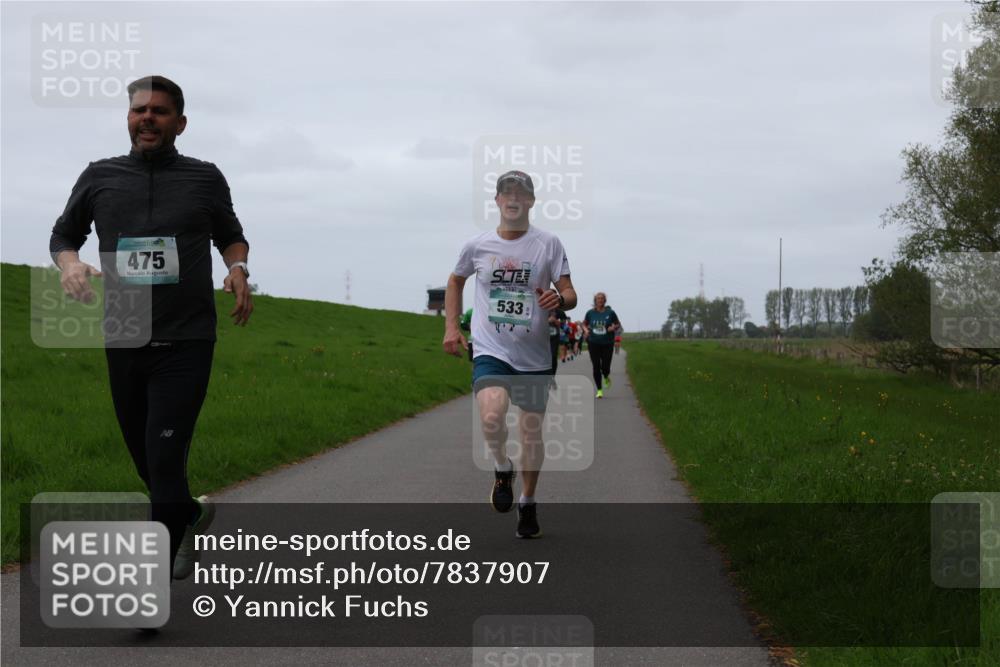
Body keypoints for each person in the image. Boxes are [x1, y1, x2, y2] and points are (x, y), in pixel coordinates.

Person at [50, 75, 252, 581]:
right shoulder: (100, 176)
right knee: (146, 461)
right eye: (140, 109)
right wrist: (70, 265)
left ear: (179, 123)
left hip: (185, 340)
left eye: (160, 111)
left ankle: (148, 584)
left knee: (163, 460)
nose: (148, 118)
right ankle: (188, 513)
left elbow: (231, 237)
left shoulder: (204, 177)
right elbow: (63, 234)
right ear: (128, 118)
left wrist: (237, 269)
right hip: (124, 334)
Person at [443, 170, 576, 538]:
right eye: (506, 192)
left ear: (531, 201)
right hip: (491, 349)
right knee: (491, 415)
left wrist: (559, 299)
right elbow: (455, 280)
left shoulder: (548, 244)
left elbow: (570, 292)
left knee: (531, 432)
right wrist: (452, 328)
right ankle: (503, 468)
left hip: (534, 355)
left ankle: (528, 503)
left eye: (520, 192)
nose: (513, 198)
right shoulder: (478, 246)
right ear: (497, 201)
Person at [583, 292, 621, 398]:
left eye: (602, 298)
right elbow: (584, 324)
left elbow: (618, 324)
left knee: (605, 367)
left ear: (605, 301)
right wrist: (586, 330)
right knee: (596, 366)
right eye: (598, 298)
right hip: (593, 342)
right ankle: (599, 390)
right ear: (595, 300)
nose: (600, 300)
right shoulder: (590, 313)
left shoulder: (610, 312)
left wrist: (613, 327)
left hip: (607, 343)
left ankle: (606, 376)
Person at [548, 308, 566, 375]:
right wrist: (548, 320)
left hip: (554, 337)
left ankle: (552, 376)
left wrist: (556, 321)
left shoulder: (559, 311)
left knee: (553, 356)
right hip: (541, 337)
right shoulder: (541, 309)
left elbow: (564, 324)